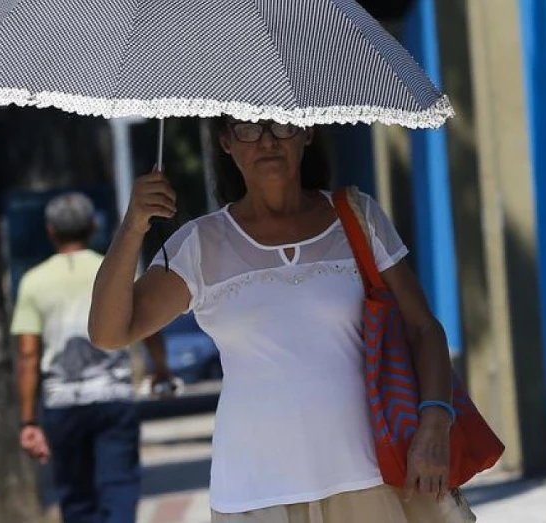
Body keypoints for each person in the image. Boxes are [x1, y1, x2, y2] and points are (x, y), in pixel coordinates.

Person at [89, 118, 460, 522]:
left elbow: (423, 328)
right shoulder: (200, 245)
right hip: (255, 491)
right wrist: (133, 226)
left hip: (369, 477)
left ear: (306, 133)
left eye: (281, 125)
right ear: (226, 142)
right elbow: (109, 333)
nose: (266, 140)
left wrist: (435, 421)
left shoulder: (358, 217)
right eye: (247, 129)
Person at [10, 192, 174, 523]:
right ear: (94, 226)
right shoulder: (112, 269)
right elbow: (147, 326)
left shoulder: (33, 282)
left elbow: (28, 356)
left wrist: (28, 421)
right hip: (113, 397)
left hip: (62, 403)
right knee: (119, 488)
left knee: (76, 497)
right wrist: (161, 368)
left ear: (51, 230)